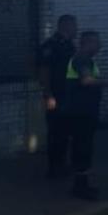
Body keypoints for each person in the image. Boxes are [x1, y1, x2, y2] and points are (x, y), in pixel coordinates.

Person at [37, 14, 77, 179]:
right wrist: (48, 94)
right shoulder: (51, 46)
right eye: (73, 25)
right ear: (65, 26)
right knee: (55, 132)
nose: (76, 29)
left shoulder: (69, 45)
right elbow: (45, 71)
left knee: (65, 132)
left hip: (68, 96)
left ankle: (61, 164)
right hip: (56, 95)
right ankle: (53, 168)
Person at [65, 31, 104, 201]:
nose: (99, 46)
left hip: (83, 112)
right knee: (83, 149)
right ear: (87, 43)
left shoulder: (84, 59)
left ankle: (82, 184)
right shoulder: (81, 59)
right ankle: (80, 187)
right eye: (96, 42)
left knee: (84, 148)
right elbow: (87, 81)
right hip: (81, 113)